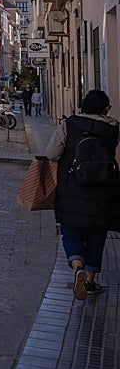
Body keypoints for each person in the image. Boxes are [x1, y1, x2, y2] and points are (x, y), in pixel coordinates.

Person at [43, 90, 120, 300]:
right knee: (97, 235)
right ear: (105, 108)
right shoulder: (113, 127)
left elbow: (51, 154)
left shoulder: (69, 125)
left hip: (72, 190)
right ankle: (90, 281)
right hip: (103, 190)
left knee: (71, 232)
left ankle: (78, 267)